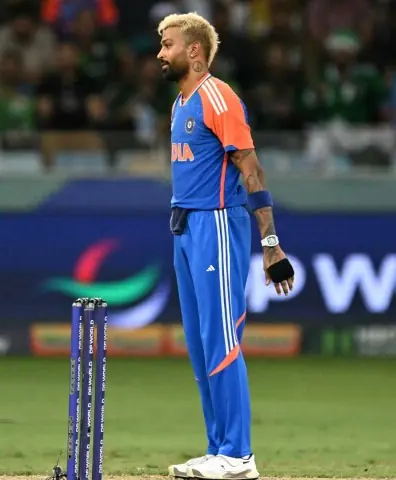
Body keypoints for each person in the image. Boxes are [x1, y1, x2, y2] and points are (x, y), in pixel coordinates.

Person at [156, 12, 295, 480]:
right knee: (198, 344)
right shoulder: (180, 104)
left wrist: (271, 244)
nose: (161, 53)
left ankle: (238, 455)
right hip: (185, 228)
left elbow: (251, 170)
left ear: (194, 51)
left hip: (218, 226)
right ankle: (219, 448)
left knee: (223, 339)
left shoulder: (219, 96)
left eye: (168, 44)